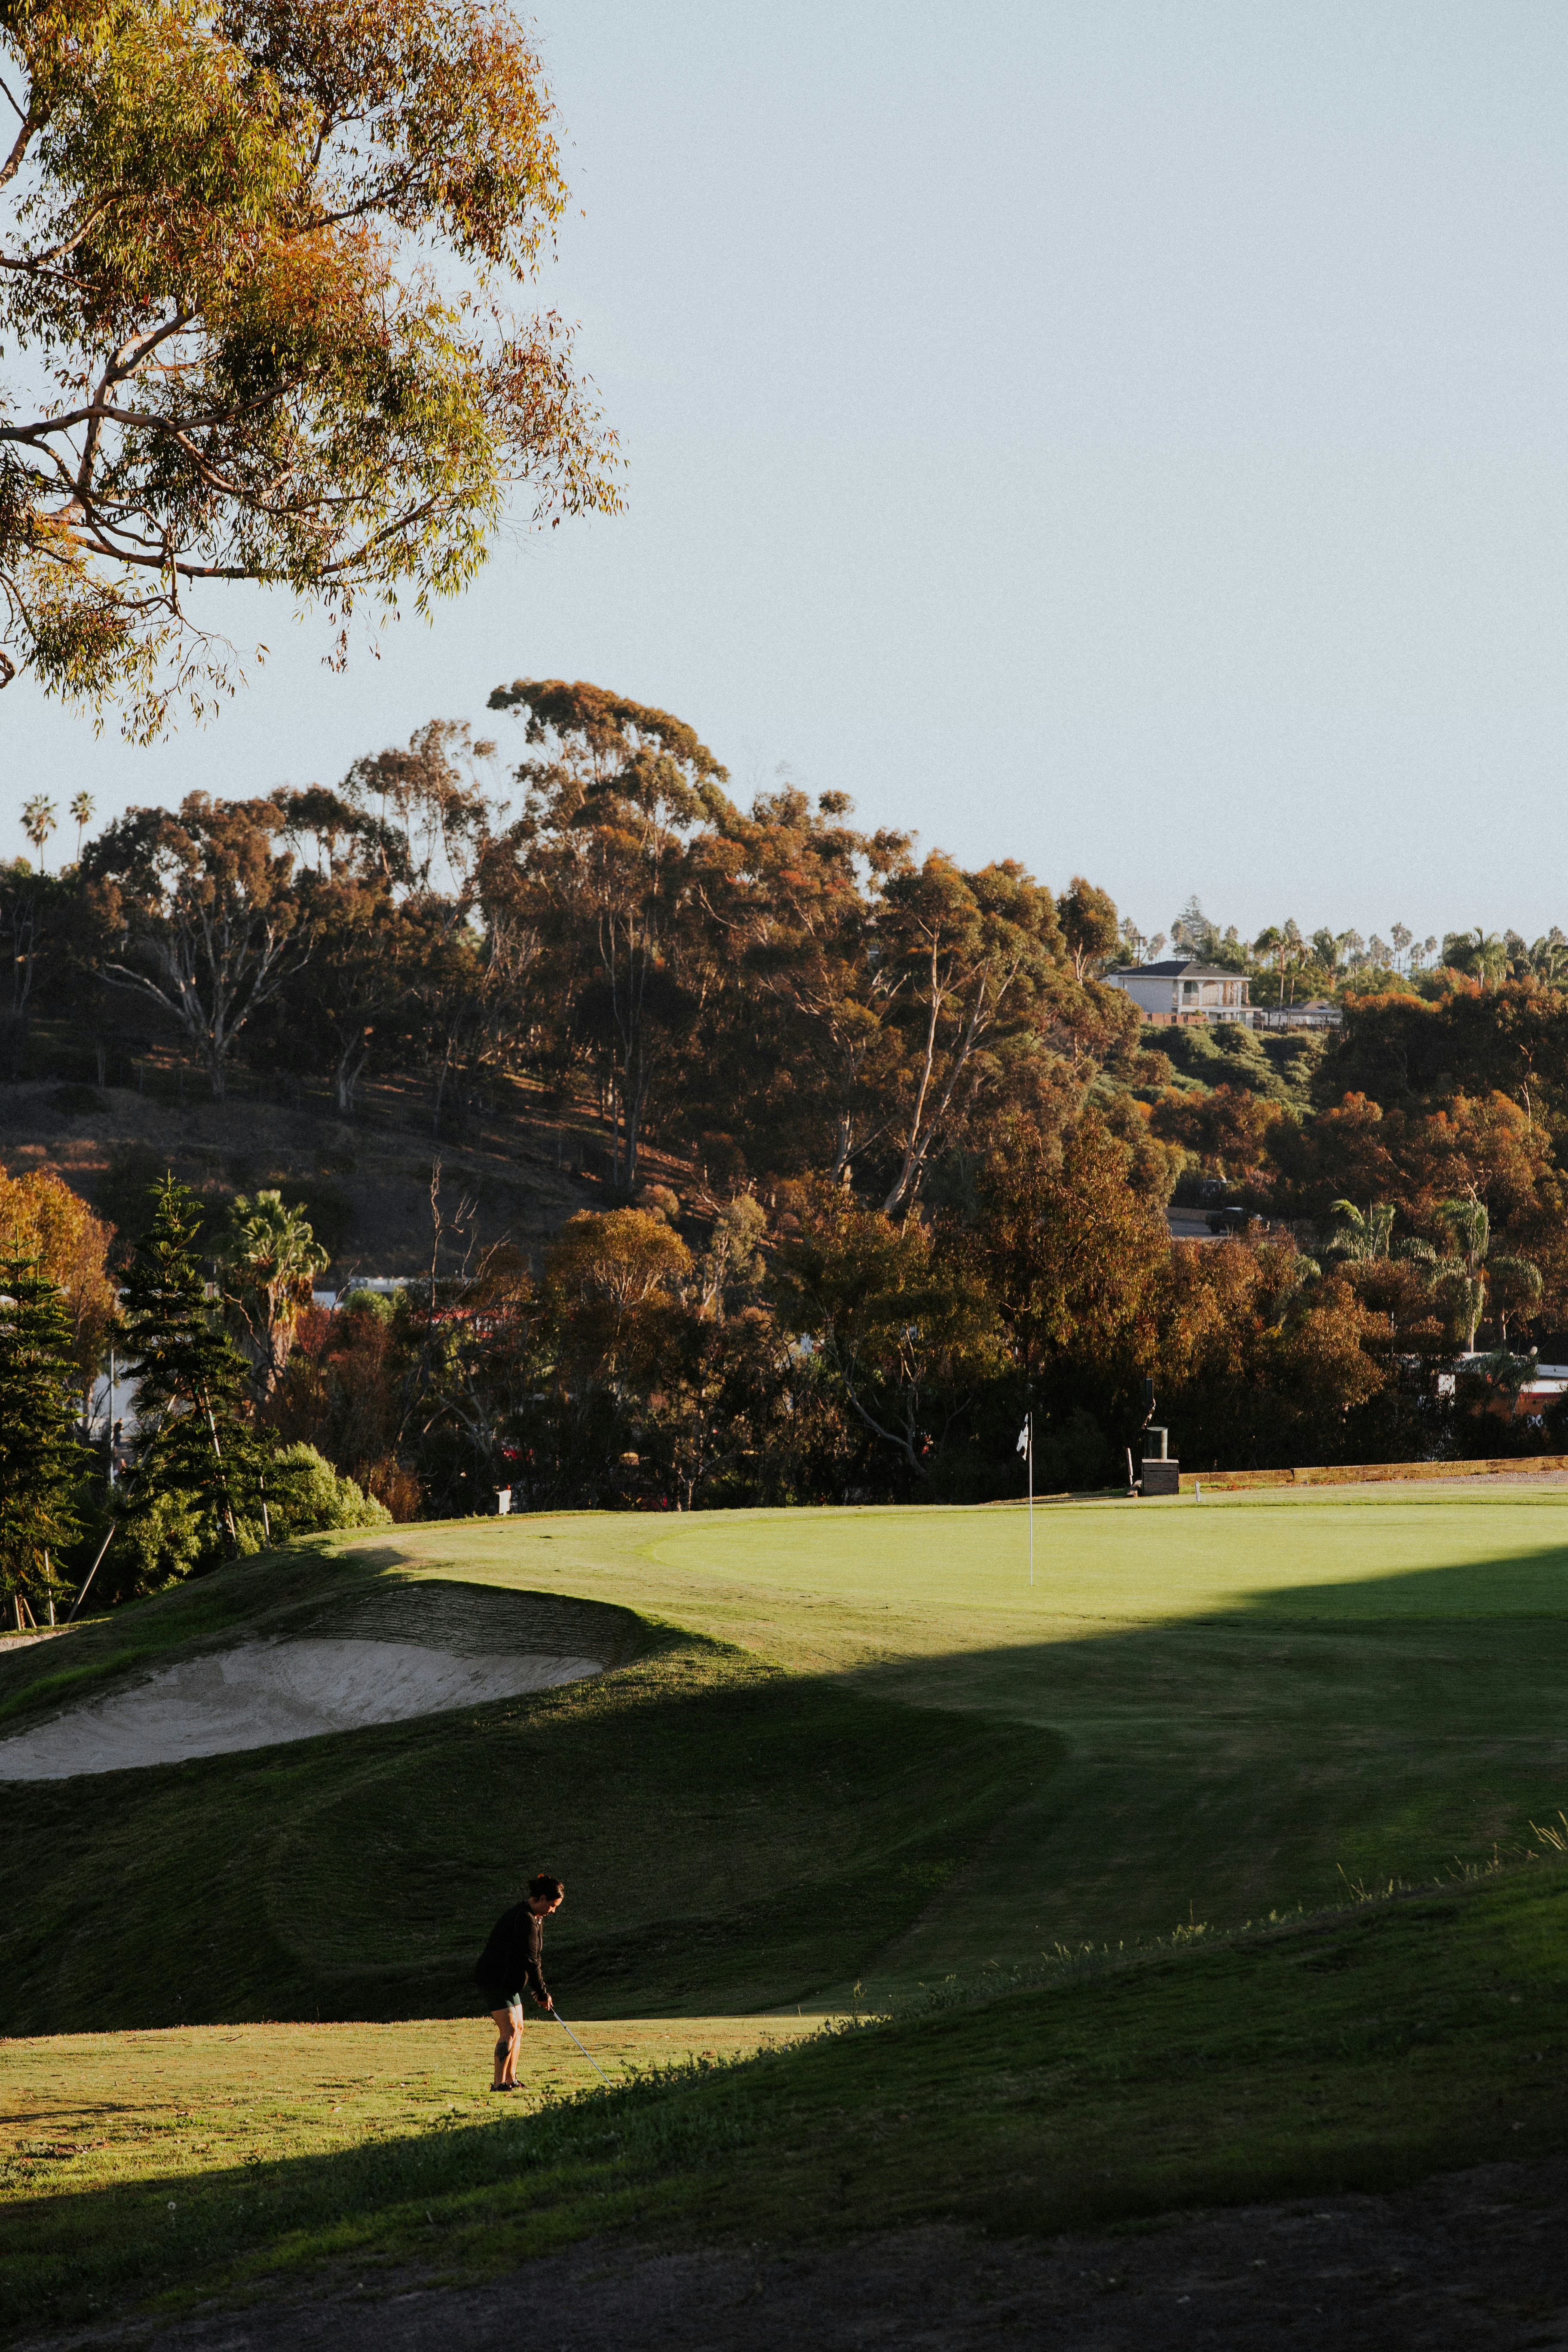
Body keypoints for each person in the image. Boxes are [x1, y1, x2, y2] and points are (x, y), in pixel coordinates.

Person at [474, 1872, 564, 2092]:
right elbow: (531, 1961)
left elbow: (535, 1957)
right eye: (552, 1905)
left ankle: (511, 2079)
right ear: (542, 1899)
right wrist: (542, 1994)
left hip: (510, 1982)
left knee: (519, 2028)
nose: (553, 1911)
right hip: (494, 1979)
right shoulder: (523, 1918)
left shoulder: (536, 1918)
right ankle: (498, 2084)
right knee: (510, 2031)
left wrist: (539, 1991)